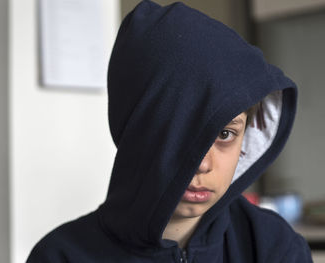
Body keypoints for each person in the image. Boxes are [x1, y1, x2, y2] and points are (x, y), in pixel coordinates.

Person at [26, 1, 313, 262]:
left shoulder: (272, 245)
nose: (203, 164)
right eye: (186, 133)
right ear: (137, 131)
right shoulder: (60, 256)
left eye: (225, 134)